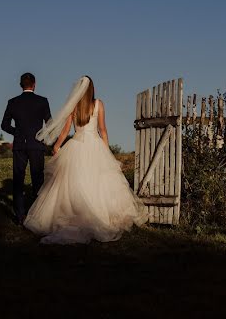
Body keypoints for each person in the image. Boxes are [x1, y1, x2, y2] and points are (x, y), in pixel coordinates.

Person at [24, 75, 148, 244]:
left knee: (75, 182)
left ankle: (73, 214)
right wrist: (107, 152)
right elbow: (102, 130)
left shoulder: (73, 107)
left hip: (76, 145)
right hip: (94, 145)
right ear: (92, 89)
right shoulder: (98, 104)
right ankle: (98, 215)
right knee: (97, 182)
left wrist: (56, 146)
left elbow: (65, 131)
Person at [0, 72, 51, 224]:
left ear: (21, 85)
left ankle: (20, 216)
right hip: (36, 145)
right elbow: (50, 123)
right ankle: (38, 214)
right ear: (34, 84)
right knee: (38, 180)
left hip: (20, 145)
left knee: (18, 180)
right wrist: (44, 136)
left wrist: (17, 132)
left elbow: (4, 125)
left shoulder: (12, 102)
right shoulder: (42, 101)